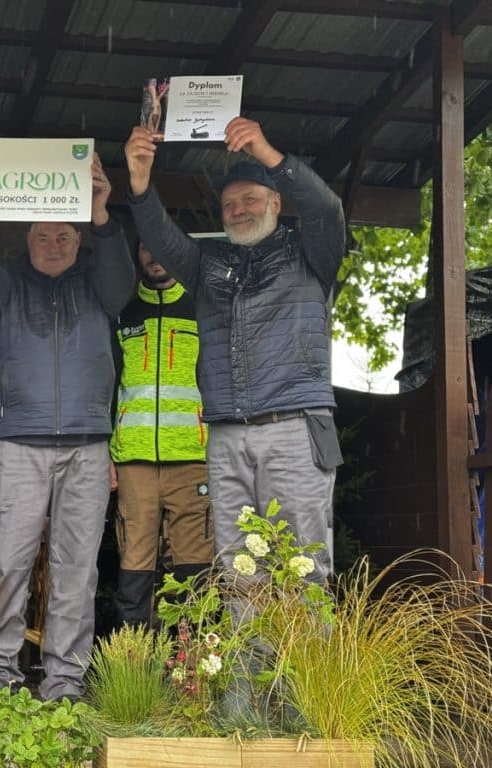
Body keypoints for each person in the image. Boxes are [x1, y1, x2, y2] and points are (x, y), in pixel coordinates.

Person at [123, 117, 345, 584]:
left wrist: (267, 152)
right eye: (229, 204)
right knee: (240, 569)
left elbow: (326, 208)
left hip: (294, 427)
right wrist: (140, 182)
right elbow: (161, 238)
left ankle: (305, 661)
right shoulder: (208, 265)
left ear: (277, 202)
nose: (239, 210)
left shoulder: (312, 254)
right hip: (225, 436)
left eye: (250, 199)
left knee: (303, 567)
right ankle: (250, 662)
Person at [0, 153, 134, 701]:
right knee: (6, 564)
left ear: (79, 240)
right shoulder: (8, 288)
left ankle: (65, 683)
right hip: (20, 445)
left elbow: (123, 279)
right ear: (26, 238)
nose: (53, 244)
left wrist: (102, 211)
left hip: (87, 447)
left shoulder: (101, 288)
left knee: (76, 571)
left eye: (64, 236)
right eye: (42, 236)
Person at [111, 242, 212, 627]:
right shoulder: (122, 310)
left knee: (194, 571)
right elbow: (109, 385)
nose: (155, 256)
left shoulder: (202, 307)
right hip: (133, 460)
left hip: (192, 458)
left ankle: (189, 671)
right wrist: (109, 452)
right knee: (134, 568)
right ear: (137, 254)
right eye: (145, 249)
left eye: (162, 247)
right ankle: (132, 669)